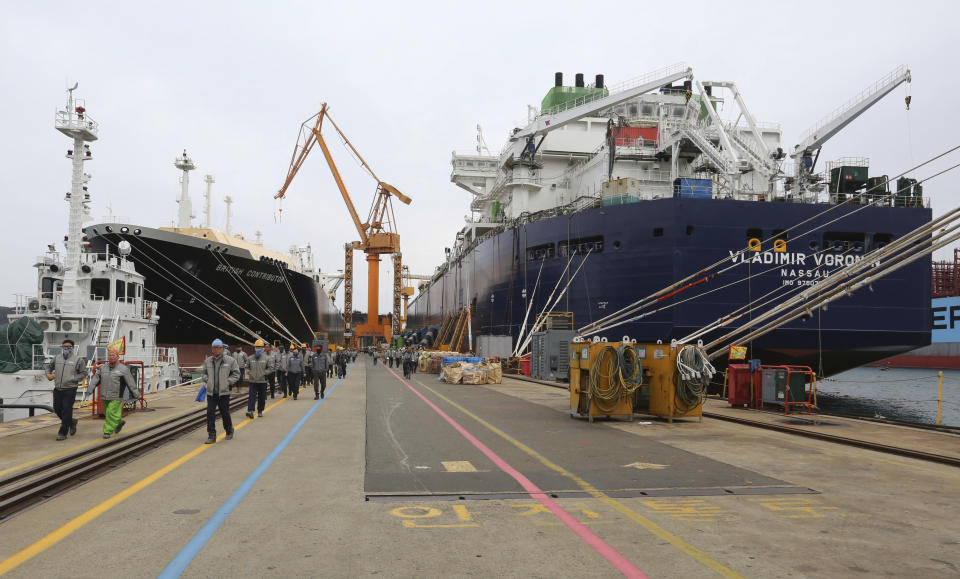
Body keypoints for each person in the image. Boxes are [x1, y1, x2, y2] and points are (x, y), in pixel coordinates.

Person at [88, 348, 140, 438]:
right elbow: (96, 379)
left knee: (111, 412)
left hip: (116, 395)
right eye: (110, 355)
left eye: (113, 355)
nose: (111, 357)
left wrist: (136, 394)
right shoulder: (102, 368)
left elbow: (130, 382)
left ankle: (107, 431)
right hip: (104, 395)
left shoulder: (123, 369)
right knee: (107, 413)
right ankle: (119, 422)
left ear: (118, 357)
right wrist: (90, 389)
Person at [44, 338, 87, 441]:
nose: (67, 349)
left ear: (73, 348)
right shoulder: (57, 358)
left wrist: (73, 379)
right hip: (58, 388)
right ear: (62, 348)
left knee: (67, 410)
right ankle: (71, 422)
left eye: (69, 347)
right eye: (65, 347)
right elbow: (48, 366)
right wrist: (48, 374)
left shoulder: (78, 360)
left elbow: (84, 373)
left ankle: (62, 432)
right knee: (57, 408)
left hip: (70, 388)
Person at [202, 338, 240, 444]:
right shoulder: (208, 361)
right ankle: (211, 435)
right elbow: (204, 373)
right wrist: (208, 380)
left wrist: (228, 382)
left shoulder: (230, 360)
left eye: (219, 347)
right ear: (212, 349)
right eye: (215, 347)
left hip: (224, 392)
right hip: (211, 393)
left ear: (222, 348)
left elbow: (236, 374)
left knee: (224, 413)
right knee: (210, 414)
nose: (217, 349)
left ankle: (229, 431)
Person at [245, 339, 270, 418]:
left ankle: (260, 411)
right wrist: (250, 373)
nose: (258, 348)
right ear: (255, 348)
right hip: (252, 381)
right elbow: (246, 367)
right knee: (251, 396)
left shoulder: (266, 358)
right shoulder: (250, 358)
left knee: (262, 397)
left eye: (260, 347)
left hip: (262, 381)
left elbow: (270, 368)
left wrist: (264, 373)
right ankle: (251, 411)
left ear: (263, 348)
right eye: (257, 347)